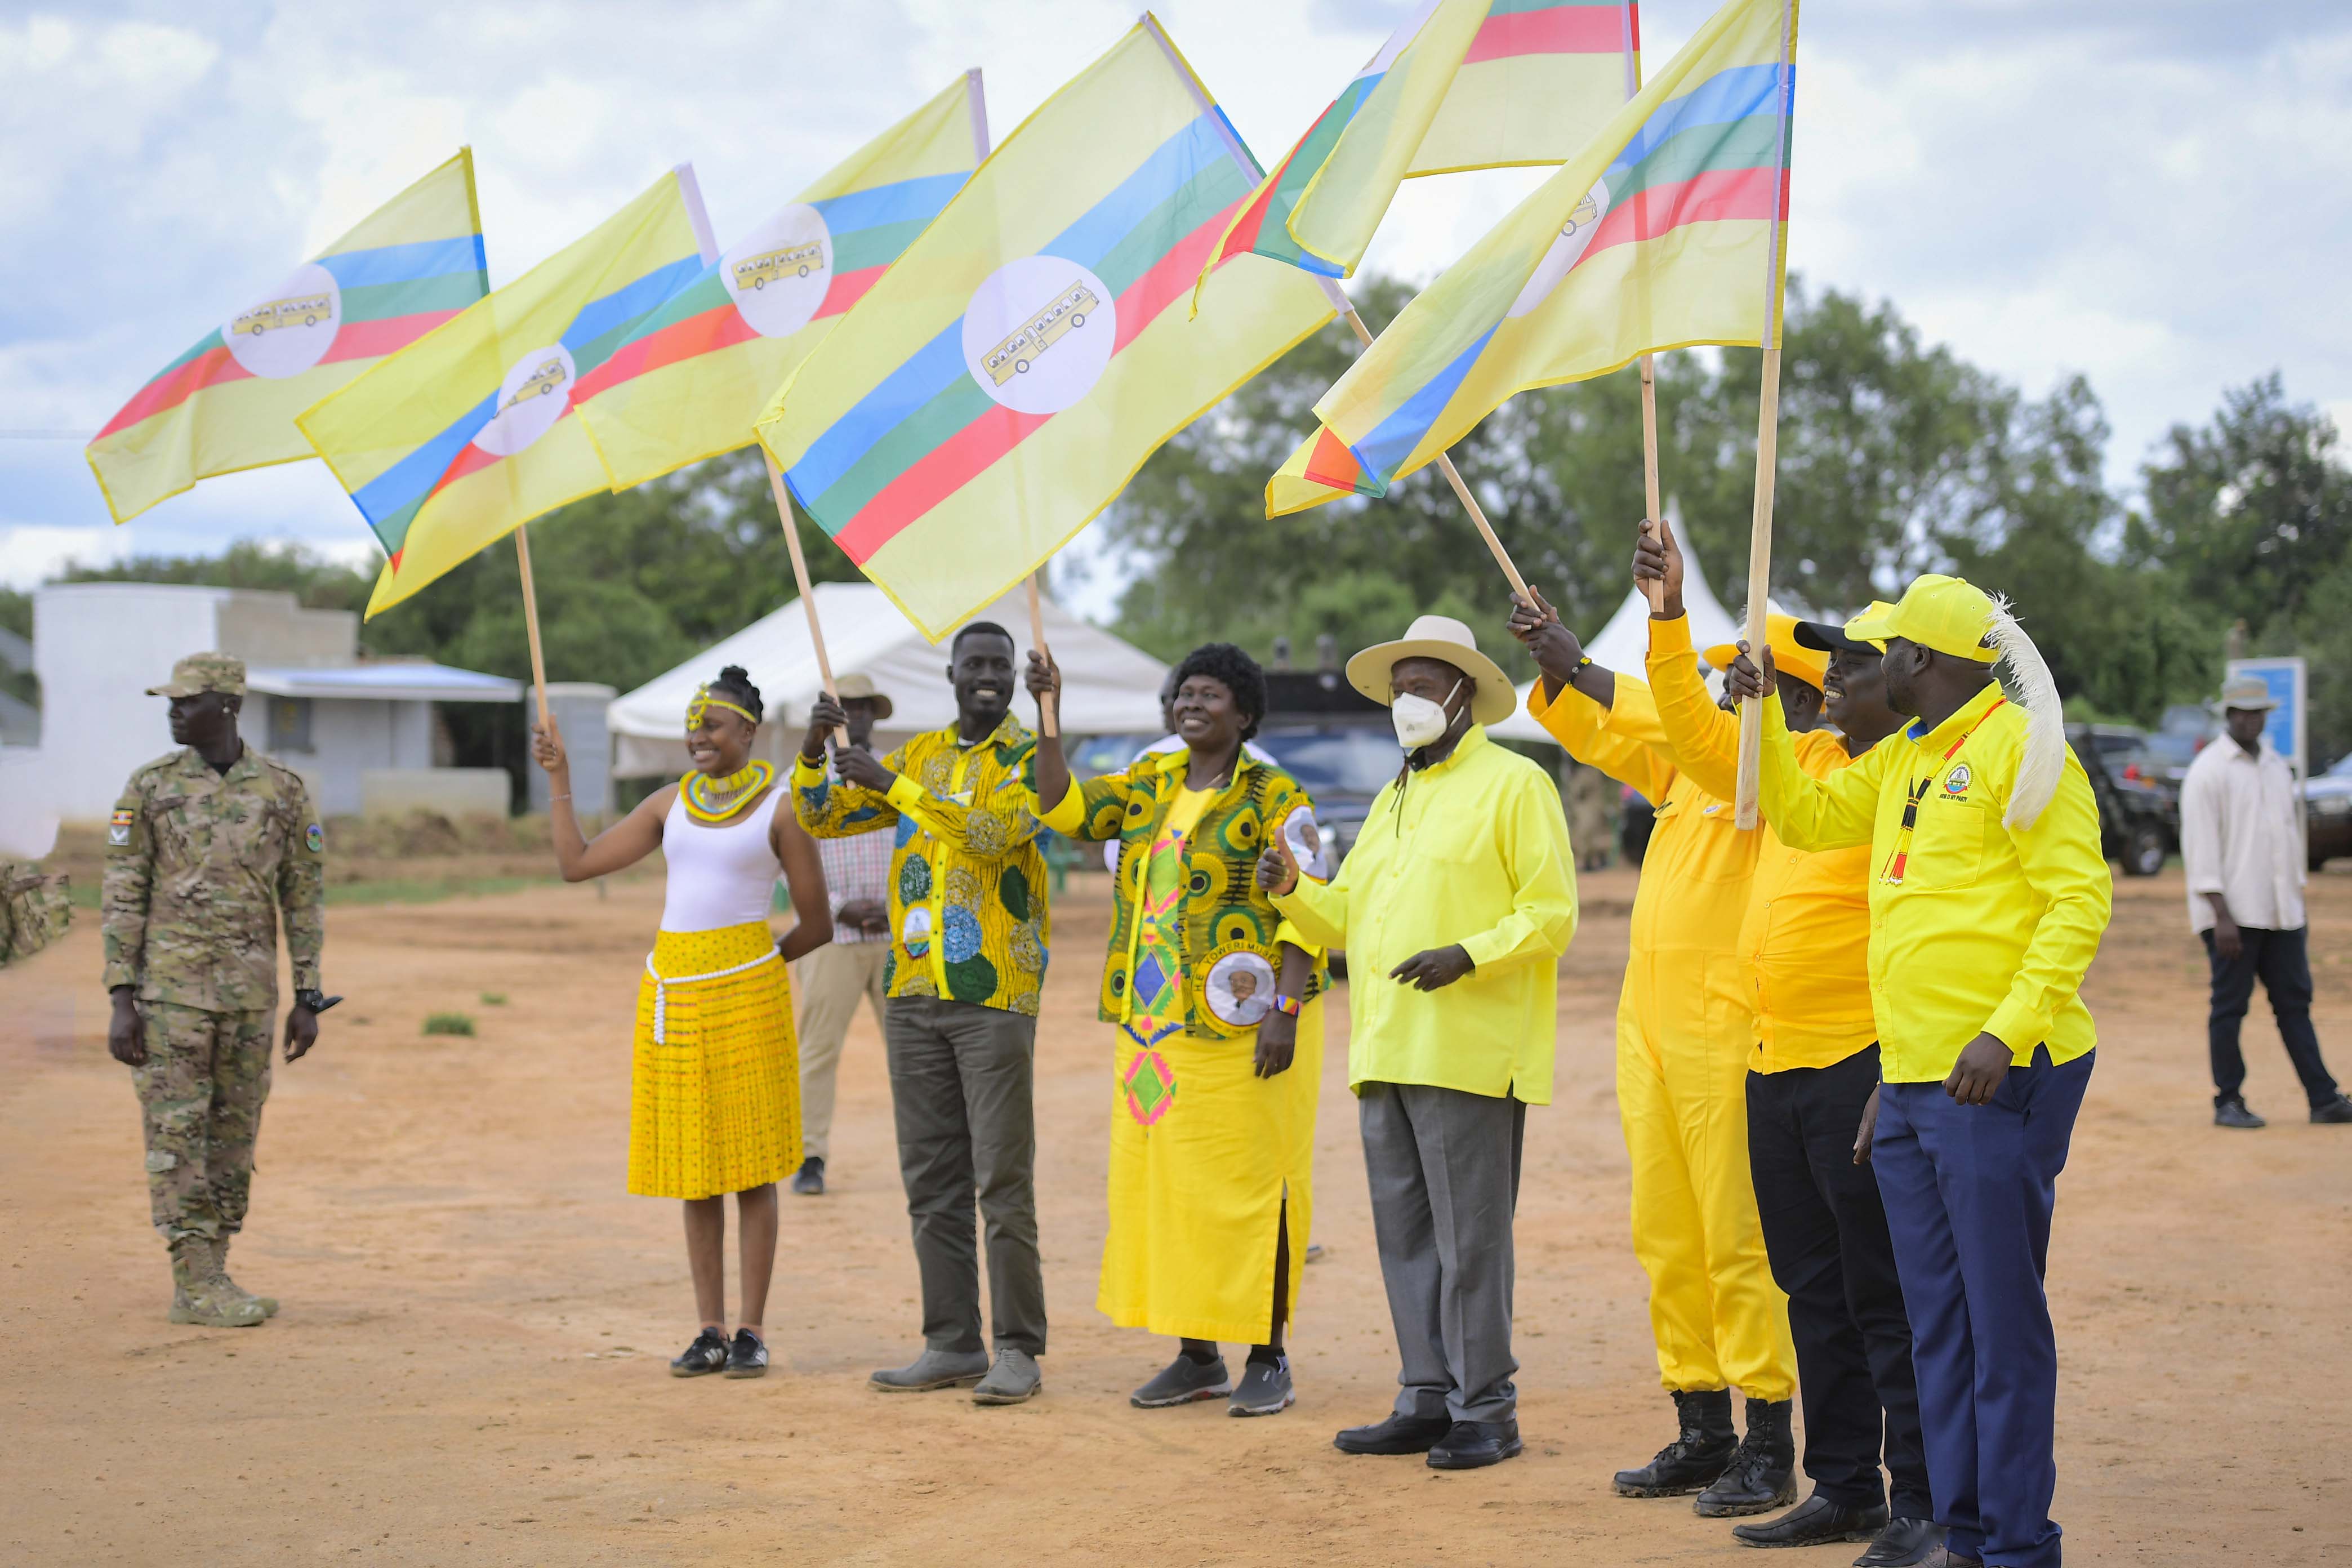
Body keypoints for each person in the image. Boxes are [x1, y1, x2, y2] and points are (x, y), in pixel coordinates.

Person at [1734, 574, 2112, 1568]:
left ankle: (2020, 1544)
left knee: (1999, 1327)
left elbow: (2078, 902)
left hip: (1998, 1080)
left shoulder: (2021, 751)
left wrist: (2007, 1027)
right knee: (1937, 1326)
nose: (1856, 666)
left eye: (1877, 650)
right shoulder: (1905, 756)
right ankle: (1967, 1531)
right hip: (1909, 1086)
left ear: (1920, 660)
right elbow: (1806, 816)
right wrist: (1765, 713)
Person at [1622, 524, 1941, 1565]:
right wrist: (1671, 623)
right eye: (1831, 664)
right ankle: (1842, 1483)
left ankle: (1922, 1502)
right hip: (1771, 1062)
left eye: (1853, 663)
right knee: (1812, 1287)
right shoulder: (1805, 762)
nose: (1836, 677)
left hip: (1861, 1064)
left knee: (1883, 1294)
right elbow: (1701, 744)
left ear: (1909, 682)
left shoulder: (1916, 783)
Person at [1257, 614, 1577, 1471]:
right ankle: (1426, 1395)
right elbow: (1349, 915)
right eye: (1400, 689)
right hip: (1386, 1048)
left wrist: (1467, 954)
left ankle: (1488, 1408)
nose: (1408, 703)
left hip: (1468, 1050)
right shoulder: (1395, 796)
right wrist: (1294, 892)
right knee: (1405, 1237)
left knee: (1470, 1241)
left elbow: (1552, 915)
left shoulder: (1515, 785)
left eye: (1424, 688)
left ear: (1466, 693)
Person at [1506, 592, 1798, 1513]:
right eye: (1717, 674)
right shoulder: (1682, 776)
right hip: (1650, 1027)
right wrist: (1559, 668)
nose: (1719, 688)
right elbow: (1599, 736)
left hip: (1727, 1026)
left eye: (1740, 676)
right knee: (1666, 1234)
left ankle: (1768, 1438)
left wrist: (1583, 661)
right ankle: (1701, 1420)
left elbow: (1669, 724)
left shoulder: (1771, 774)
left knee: (1733, 1238)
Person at [1028, 642, 1325, 1417]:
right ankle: (1197, 1355)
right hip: (1154, 1032)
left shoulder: (1277, 793)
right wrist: (1048, 716)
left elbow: (1311, 904)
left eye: (1211, 695)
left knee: (1254, 1186)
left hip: (1249, 1031)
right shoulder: (1148, 782)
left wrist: (1286, 1012)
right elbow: (1061, 809)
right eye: (1183, 694)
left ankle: (1269, 1351)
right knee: (1168, 1191)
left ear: (1245, 714)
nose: (1192, 703)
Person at [532, 666, 832, 1379]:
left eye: (713, 724)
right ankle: (709, 1330)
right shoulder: (669, 805)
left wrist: (759, 966)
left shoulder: (782, 809)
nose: (698, 734)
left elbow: (817, 923)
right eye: (692, 724)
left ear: (748, 733)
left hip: (748, 995)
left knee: (753, 1169)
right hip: (674, 996)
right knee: (696, 1171)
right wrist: (559, 777)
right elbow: (576, 864)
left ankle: (752, 1330)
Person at [794, 621, 1052, 1406]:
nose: (986, 676)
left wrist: (893, 787)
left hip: (993, 994)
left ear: (1014, 677)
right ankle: (950, 1343)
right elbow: (823, 819)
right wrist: (813, 753)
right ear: (949, 672)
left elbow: (993, 833)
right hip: (912, 994)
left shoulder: (1031, 758)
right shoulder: (920, 754)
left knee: (1001, 1181)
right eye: (973, 663)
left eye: (998, 666)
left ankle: (1017, 1349)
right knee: (931, 1179)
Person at [103, 652, 329, 1329]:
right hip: (171, 998)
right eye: (170, 702)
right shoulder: (149, 788)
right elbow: (122, 894)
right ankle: (193, 1280)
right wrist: (122, 996)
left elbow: (305, 899)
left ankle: (216, 1269)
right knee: (176, 1133)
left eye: (187, 702)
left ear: (227, 706)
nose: (174, 712)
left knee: (234, 1135)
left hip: (249, 998)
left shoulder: (283, 792)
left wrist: (308, 997)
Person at [2179, 676, 2352, 1129]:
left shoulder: (2276, 767)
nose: (2252, 719)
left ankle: (2323, 1098)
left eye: (2259, 712)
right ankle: (2228, 1101)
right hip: (2232, 915)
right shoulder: (2209, 771)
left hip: (2281, 912)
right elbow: (2201, 851)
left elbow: (2288, 841)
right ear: (2229, 715)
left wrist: (2296, 903)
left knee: (2295, 1005)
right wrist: (2221, 916)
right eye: (2243, 712)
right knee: (2230, 1007)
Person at [790, 672, 901, 1195]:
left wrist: (892, 910)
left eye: (862, 707)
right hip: (829, 938)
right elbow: (790, 864)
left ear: (875, 715)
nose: (853, 716)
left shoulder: (900, 775)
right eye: (843, 707)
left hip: (899, 937)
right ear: (827, 716)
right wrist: (839, 908)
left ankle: (925, 1152)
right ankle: (810, 1156)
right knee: (817, 1050)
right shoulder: (809, 782)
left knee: (912, 1052)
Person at [1102, 668, 1277, 875]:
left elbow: (1118, 856)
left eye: (1168, 698)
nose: (1166, 708)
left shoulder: (1150, 759)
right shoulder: (1264, 763)